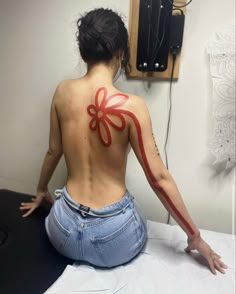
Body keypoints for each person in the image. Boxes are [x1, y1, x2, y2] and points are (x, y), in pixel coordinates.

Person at [20, 8, 227, 274]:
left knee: (65, 207)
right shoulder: (132, 107)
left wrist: (40, 192)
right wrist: (194, 236)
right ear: (121, 53)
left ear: (83, 54)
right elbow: (159, 179)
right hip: (113, 239)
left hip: (62, 230)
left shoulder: (62, 92)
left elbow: (53, 150)